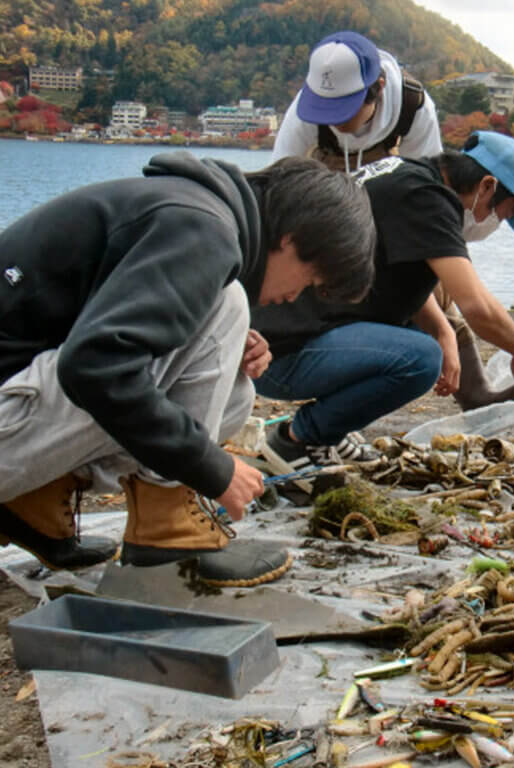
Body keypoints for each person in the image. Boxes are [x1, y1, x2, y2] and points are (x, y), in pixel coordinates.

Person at [0, 152, 375, 585]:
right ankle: (166, 528)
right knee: (227, 305)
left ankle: (36, 500)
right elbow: (95, 367)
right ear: (291, 238)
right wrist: (210, 467)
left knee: (235, 390)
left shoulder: (191, 212)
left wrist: (213, 340)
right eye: (309, 282)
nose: (295, 298)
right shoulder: (203, 230)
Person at [252, 130, 514, 471]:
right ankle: (299, 439)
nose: (495, 222)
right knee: (421, 360)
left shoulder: (405, 174)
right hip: (277, 353)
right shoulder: (428, 201)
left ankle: (331, 429)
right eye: (505, 214)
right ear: (487, 187)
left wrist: (444, 330)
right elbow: (476, 303)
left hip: (281, 330)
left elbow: (398, 267)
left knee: (424, 340)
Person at [272, 30, 442, 173]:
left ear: (379, 88)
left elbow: (427, 184)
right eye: (324, 108)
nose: (333, 119)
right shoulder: (308, 105)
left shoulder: (413, 106)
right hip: (324, 197)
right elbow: (278, 176)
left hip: (391, 195)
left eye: (343, 108)